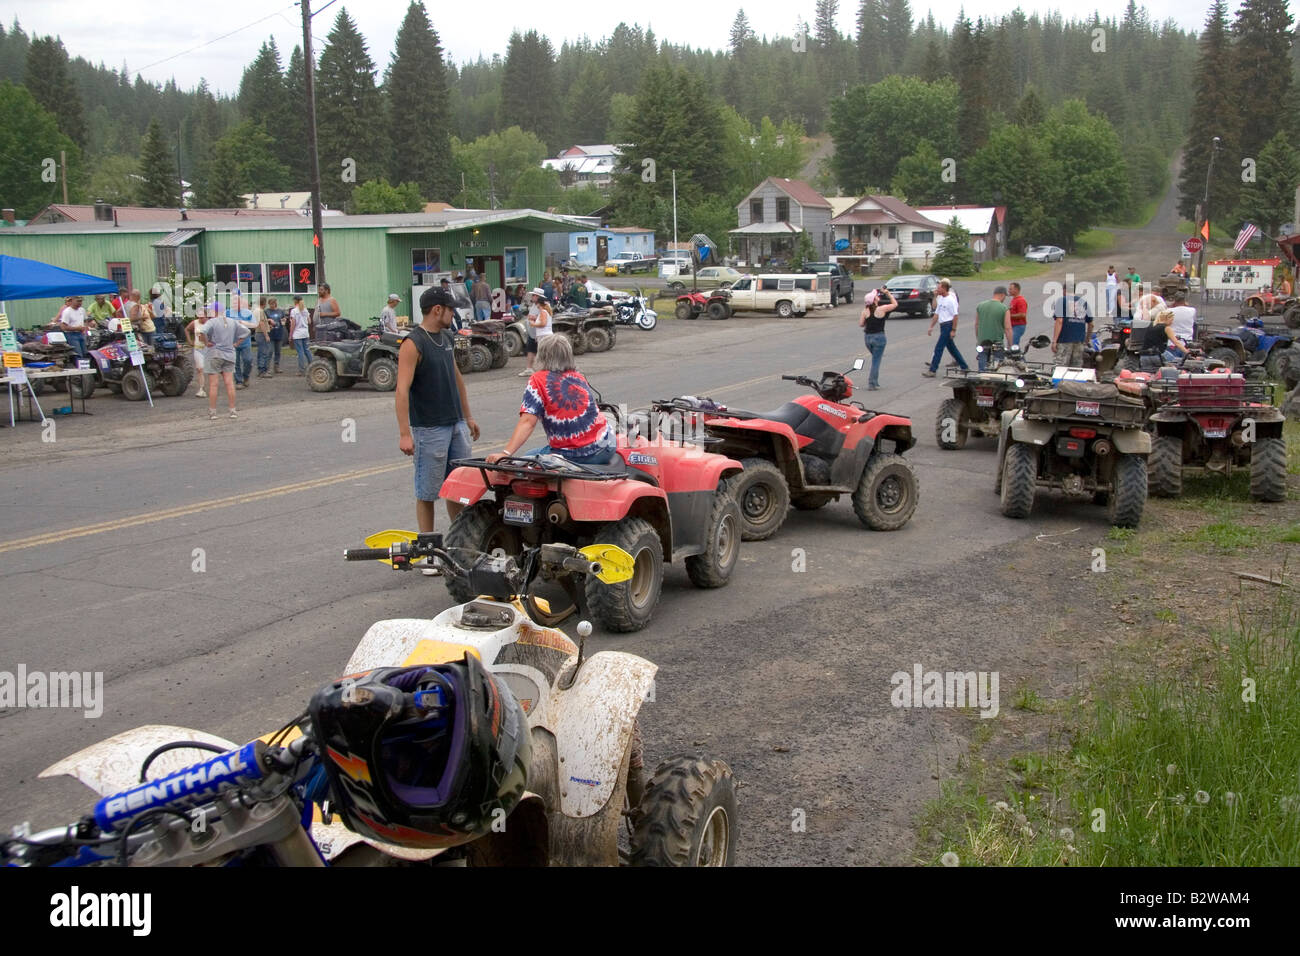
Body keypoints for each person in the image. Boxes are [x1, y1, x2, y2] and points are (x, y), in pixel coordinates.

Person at [395, 287, 481, 555]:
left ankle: (460, 545)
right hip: (429, 428)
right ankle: (428, 551)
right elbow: (401, 390)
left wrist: (467, 416)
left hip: (455, 423)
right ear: (437, 310)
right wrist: (404, 433)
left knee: (458, 487)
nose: (453, 313)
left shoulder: (446, 337)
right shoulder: (413, 343)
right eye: (450, 309)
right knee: (428, 491)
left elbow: (457, 380)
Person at [487, 334, 617, 466]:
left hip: (576, 455)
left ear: (542, 356)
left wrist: (505, 453)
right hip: (607, 446)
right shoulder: (578, 377)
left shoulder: (537, 380)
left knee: (526, 459)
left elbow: (527, 422)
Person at [197, 302, 243, 420]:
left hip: (215, 354)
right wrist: (236, 343)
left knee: (214, 384)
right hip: (230, 354)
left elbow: (202, 332)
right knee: (229, 383)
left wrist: (206, 342)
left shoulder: (211, 322)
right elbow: (246, 332)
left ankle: (213, 412)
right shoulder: (232, 321)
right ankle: (232, 410)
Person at [922, 279, 968, 376]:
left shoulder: (951, 300)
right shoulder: (941, 299)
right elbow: (936, 314)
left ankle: (932, 370)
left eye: (939, 288)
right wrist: (931, 326)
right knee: (952, 349)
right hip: (942, 325)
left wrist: (953, 330)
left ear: (944, 288)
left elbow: (955, 316)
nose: (937, 290)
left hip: (948, 325)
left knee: (939, 348)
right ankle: (965, 367)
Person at [858, 287, 897, 390]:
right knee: (876, 361)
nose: (878, 297)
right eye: (876, 296)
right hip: (879, 337)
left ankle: (875, 382)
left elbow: (861, 324)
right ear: (874, 300)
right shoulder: (881, 309)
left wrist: (868, 322)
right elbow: (895, 304)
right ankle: (872, 383)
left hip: (867, 338)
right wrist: (888, 293)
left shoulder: (864, 311)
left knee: (875, 358)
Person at [1051, 288, 1093, 367]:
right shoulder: (1084, 302)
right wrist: (1087, 339)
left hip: (1064, 340)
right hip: (1079, 341)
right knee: (1075, 369)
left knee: (1060, 368)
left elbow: (1059, 321)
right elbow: (1091, 324)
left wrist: (1054, 341)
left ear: (1064, 290)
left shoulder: (1062, 301)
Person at [974, 286, 1012, 371]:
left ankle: (982, 376)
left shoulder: (980, 306)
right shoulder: (1004, 308)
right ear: (1002, 295)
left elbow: (976, 324)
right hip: (997, 342)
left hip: (983, 341)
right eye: (1005, 296)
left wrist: (978, 339)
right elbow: (1008, 328)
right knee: (998, 365)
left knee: (982, 361)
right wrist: (1010, 344)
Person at [520, 287, 553, 377]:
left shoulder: (544, 307)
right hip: (535, 333)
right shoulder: (535, 305)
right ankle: (529, 368)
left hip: (540, 334)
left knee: (543, 352)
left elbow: (543, 321)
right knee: (531, 350)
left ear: (538, 297)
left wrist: (533, 321)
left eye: (534, 295)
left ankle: (547, 369)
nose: (532, 297)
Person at [227, 293, 256, 388]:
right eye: (233, 302)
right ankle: (238, 381)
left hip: (245, 341)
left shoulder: (247, 313)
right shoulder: (227, 313)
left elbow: (255, 325)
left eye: (236, 302)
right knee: (235, 362)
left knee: (248, 360)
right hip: (232, 341)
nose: (234, 304)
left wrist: (244, 323)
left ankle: (246, 376)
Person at [186, 308, 209, 397]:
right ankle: (201, 388)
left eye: (202, 317)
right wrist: (189, 340)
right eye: (199, 317)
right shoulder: (195, 323)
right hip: (198, 348)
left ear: (206, 316)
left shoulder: (210, 324)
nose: (201, 319)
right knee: (200, 369)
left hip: (208, 349)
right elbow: (187, 329)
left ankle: (212, 386)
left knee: (212, 369)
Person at [289, 294, 313, 374]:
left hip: (297, 333)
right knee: (307, 351)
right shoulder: (305, 310)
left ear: (295, 301)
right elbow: (309, 321)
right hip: (305, 333)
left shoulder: (294, 311)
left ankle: (302, 370)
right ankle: (312, 366)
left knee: (300, 352)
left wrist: (290, 334)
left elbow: (293, 324)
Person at [254, 296, 274, 377]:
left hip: (258, 333)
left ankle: (260, 369)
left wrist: (268, 323)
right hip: (261, 334)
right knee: (264, 352)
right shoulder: (260, 311)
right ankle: (263, 371)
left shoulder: (255, 310)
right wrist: (266, 335)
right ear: (264, 303)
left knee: (260, 352)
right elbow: (261, 323)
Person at [265, 297, 286, 372]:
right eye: (270, 304)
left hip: (279, 332)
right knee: (270, 351)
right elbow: (263, 320)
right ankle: (267, 367)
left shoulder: (280, 311)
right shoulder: (267, 311)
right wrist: (269, 320)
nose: (272, 305)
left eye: (273, 304)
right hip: (270, 333)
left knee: (278, 351)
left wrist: (284, 320)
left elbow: (284, 319)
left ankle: (276, 366)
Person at [1007, 281, 1029, 346]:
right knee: (1011, 345)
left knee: (1013, 345)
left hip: (1018, 326)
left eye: (1010, 289)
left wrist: (1009, 316)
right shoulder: (1014, 300)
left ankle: (1018, 356)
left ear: (1016, 290)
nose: (1009, 290)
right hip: (1013, 326)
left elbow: (1022, 314)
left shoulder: (1020, 300)